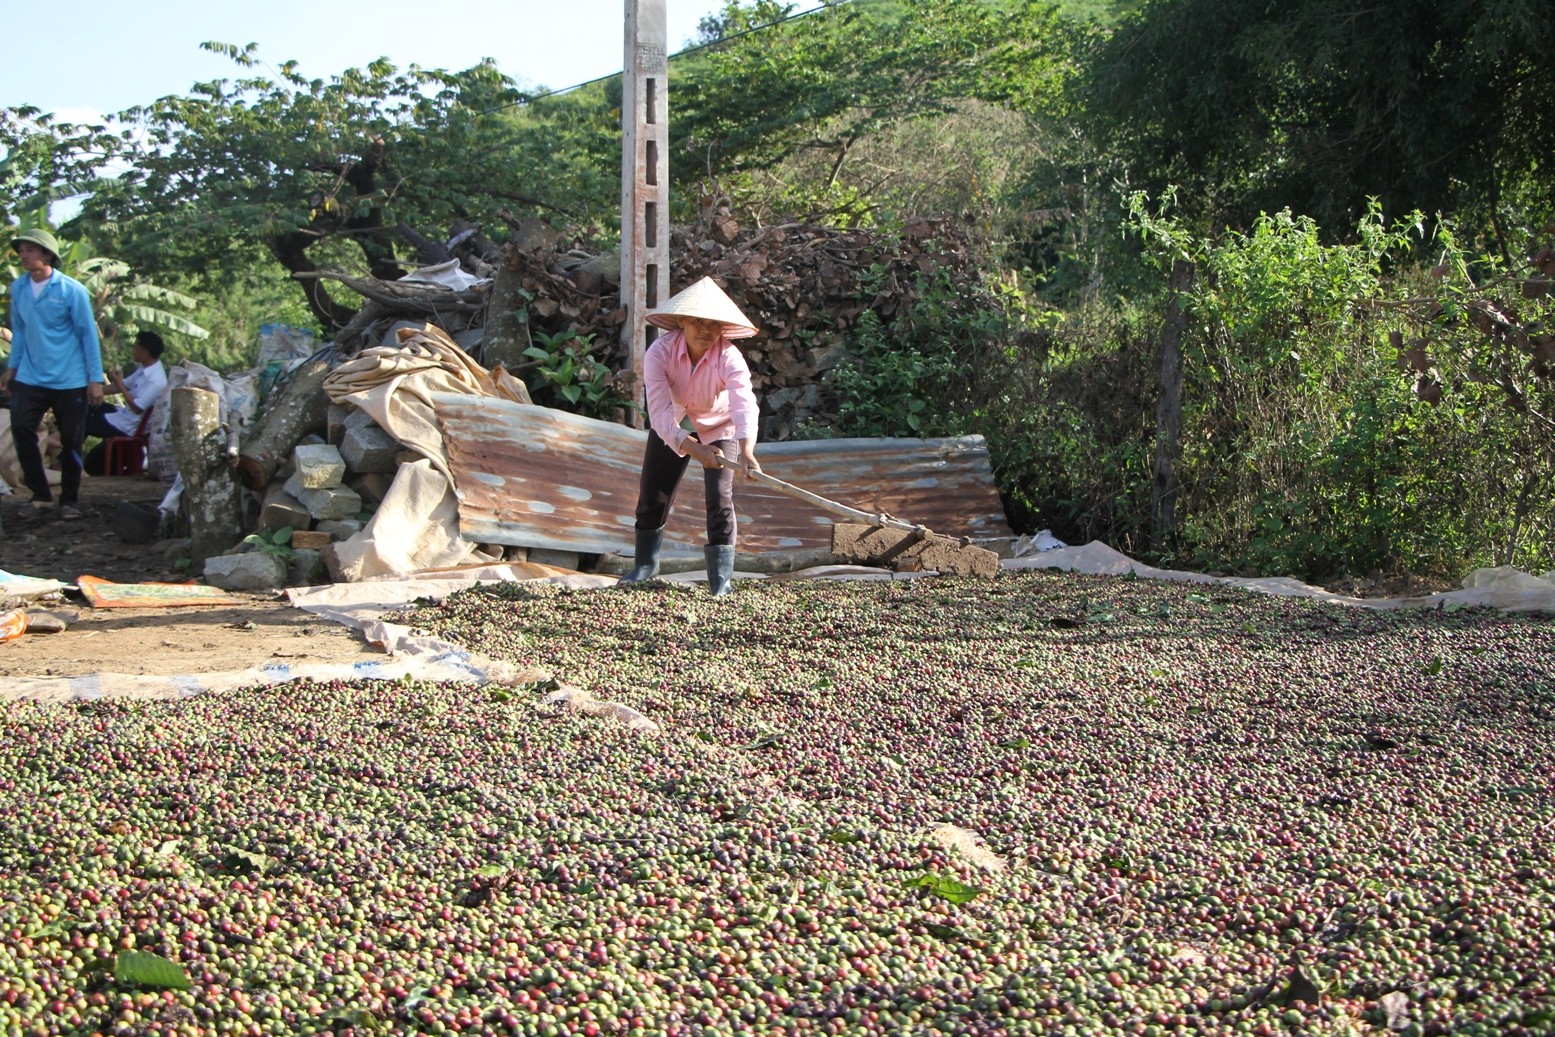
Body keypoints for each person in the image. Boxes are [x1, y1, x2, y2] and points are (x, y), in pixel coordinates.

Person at [618, 276, 763, 596]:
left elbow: (744, 405)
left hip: (719, 424)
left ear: (723, 329)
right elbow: (657, 412)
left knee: (720, 497)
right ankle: (645, 565)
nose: (706, 330)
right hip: (673, 422)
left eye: (714, 324)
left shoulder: (729, 357)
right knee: (654, 490)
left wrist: (746, 451)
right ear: (682, 321)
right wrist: (691, 447)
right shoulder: (659, 353)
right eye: (698, 321)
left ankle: (721, 578)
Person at [3, 229, 103, 520]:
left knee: (72, 439)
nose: (23, 255)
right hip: (31, 375)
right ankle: (40, 495)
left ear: (47, 255)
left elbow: (88, 336)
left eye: (30, 250)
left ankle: (69, 499)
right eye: (21, 251)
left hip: (69, 378)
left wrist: (94, 379)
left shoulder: (71, 291)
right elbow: (19, 331)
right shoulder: (19, 289)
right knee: (22, 428)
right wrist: (11, 367)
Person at [83, 330, 167, 474]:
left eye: (135, 347)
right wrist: (95, 391)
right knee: (90, 405)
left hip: (129, 424)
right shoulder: (144, 369)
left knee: (83, 423)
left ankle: (64, 457)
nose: (132, 350)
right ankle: (60, 444)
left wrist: (119, 383)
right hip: (123, 414)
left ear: (145, 353)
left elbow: (137, 407)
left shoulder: (156, 380)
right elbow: (121, 385)